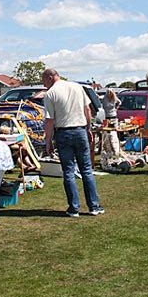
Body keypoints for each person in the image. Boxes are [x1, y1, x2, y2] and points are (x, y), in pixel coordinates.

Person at [42, 68, 104, 217]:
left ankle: (74, 208)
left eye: (44, 81)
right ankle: (94, 206)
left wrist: (48, 141)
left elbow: (49, 121)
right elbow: (87, 110)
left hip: (63, 133)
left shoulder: (50, 94)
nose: (44, 85)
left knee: (68, 172)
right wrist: (88, 128)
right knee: (86, 170)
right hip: (80, 130)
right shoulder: (77, 87)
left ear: (50, 77)